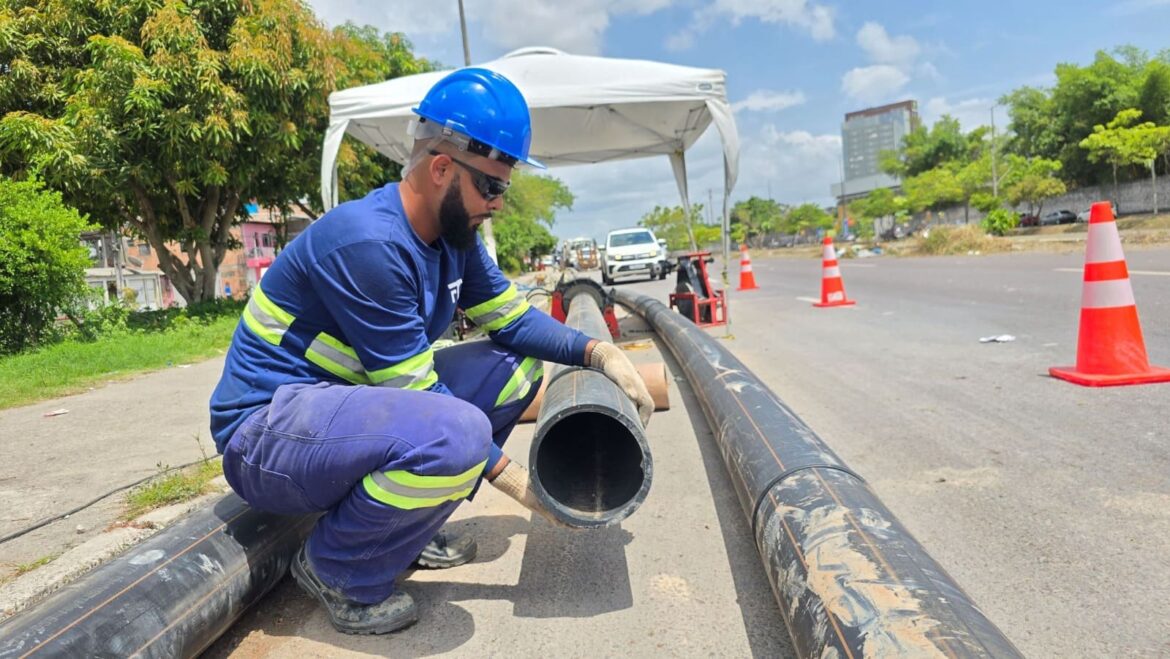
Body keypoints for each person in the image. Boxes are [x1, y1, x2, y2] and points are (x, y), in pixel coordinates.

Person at [208, 68, 653, 635]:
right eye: (490, 186)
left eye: (503, 188)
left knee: (512, 371)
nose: (497, 203)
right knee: (457, 434)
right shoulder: (369, 243)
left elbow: (513, 322)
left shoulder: (451, 239)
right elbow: (416, 389)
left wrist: (597, 352)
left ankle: (399, 532)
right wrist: (520, 483)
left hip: (344, 410)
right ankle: (338, 567)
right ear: (441, 168)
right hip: (268, 436)